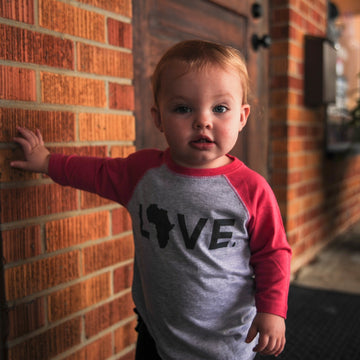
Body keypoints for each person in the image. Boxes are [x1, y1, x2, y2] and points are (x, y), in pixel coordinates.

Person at [11, 40, 292, 360]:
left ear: (242, 117)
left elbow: (273, 253)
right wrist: (47, 162)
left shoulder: (251, 189)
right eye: (183, 108)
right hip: (156, 331)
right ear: (158, 118)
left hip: (225, 340)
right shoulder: (143, 173)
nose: (203, 120)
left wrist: (273, 310)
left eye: (220, 108)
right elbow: (96, 172)